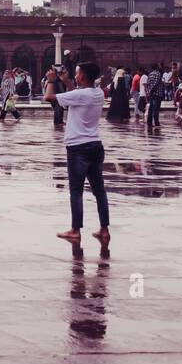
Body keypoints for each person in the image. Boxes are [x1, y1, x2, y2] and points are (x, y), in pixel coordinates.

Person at [46, 61, 110, 248]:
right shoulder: (98, 93)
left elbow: (48, 97)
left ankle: (75, 230)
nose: (75, 76)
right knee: (99, 190)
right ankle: (104, 229)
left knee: (76, 190)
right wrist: (66, 82)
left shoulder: (79, 94)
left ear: (82, 76)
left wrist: (51, 81)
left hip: (77, 147)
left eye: (77, 73)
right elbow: (78, 94)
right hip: (95, 145)